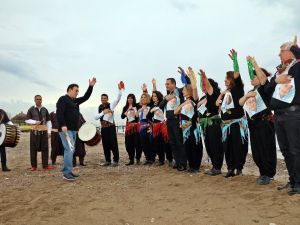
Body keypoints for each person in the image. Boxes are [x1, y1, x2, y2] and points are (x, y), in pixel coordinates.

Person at [265, 39, 300, 195]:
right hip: (278, 116)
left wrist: (293, 46)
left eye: (281, 51)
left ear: (290, 52)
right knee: (285, 150)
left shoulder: (298, 67)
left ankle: (298, 184)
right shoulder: (282, 71)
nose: (278, 54)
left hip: (293, 114)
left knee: (295, 150)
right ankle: (293, 181)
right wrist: (275, 80)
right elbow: (267, 89)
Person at [239, 57, 276, 185]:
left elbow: (263, 79)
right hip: (253, 124)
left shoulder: (265, 88)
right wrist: (247, 95)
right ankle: (262, 172)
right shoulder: (251, 91)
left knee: (267, 149)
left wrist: (254, 64)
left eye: (254, 76)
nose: (251, 78)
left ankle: (269, 174)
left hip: (265, 122)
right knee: (256, 151)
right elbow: (240, 103)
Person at [216, 49, 248, 178]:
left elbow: (237, 75)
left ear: (232, 79)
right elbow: (217, 104)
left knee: (238, 146)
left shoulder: (238, 88)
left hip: (236, 122)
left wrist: (235, 61)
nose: (224, 81)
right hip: (225, 124)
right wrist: (222, 94)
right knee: (227, 147)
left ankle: (239, 168)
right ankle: (230, 168)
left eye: (226, 79)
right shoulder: (226, 92)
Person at [56, 77, 96, 181]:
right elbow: (59, 113)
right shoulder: (63, 99)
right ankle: (66, 173)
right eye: (76, 90)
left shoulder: (75, 101)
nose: (77, 93)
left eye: (78, 91)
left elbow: (86, 97)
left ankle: (69, 171)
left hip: (73, 130)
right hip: (66, 129)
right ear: (69, 90)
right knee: (69, 149)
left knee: (71, 150)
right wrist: (63, 125)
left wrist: (91, 86)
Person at [174, 67, 203, 173]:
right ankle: (191, 166)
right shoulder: (185, 102)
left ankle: (196, 167)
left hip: (193, 127)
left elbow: (194, 88)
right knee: (187, 147)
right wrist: (183, 103)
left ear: (189, 91)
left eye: (184, 90)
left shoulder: (194, 100)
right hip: (184, 128)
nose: (182, 91)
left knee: (195, 146)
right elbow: (175, 112)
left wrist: (191, 76)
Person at [197, 70, 224, 176]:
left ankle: (217, 167)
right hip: (206, 124)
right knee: (208, 145)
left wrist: (204, 77)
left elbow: (208, 85)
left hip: (213, 123)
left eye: (206, 85)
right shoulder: (206, 97)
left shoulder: (215, 94)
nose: (204, 86)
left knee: (215, 145)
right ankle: (214, 166)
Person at [159, 69, 186, 171]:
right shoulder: (167, 95)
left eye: (168, 84)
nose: (166, 86)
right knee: (172, 142)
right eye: (165, 84)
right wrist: (166, 99)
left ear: (174, 84)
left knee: (179, 142)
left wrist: (185, 75)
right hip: (169, 120)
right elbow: (160, 106)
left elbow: (187, 85)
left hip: (177, 119)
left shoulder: (179, 91)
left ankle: (183, 163)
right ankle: (177, 161)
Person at [95, 83, 123, 167]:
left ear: (107, 99)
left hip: (111, 127)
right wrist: (103, 112)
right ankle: (107, 160)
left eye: (105, 98)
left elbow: (118, 99)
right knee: (105, 144)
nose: (103, 99)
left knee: (113, 144)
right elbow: (96, 117)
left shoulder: (111, 105)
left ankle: (116, 161)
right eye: (102, 98)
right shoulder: (99, 107)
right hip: (103, 128)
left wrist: (119, 89)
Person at [147, 79, 172, 166]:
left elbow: (167, 95)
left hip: (163, 126)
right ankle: (157, 159)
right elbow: (148, 117)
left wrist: (154, 85)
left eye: (155, 96)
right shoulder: (151, 106)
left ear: (158, 97)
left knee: (164, 142)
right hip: (155, 126)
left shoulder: (162, 103)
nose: (153, 97)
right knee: (155, 143)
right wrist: (151, 117)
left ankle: (167, 159)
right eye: (152, 96)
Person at [25, 95, 53, 171]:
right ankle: (34, 166)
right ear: (34, 100)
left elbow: (48, 121)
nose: (39, 100)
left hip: (44, 132)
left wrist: (49, 132)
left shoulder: (45, 109)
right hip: (34, 132)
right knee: (33, 149)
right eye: (37, 99)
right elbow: (27, 120)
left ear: (42, 100)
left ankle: (45, 165)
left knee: (45, 148)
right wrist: (34, 122)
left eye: (40, 99)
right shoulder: (31, 109)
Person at [121, 94, 142, 165]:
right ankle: (131, 159)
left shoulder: (137, 105)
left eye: (131, 98)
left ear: (134, 99)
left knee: (137, 143)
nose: (130, 99)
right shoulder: (125, 107)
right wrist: (128, 109)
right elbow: (122, 116)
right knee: (128, 144)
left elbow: (143, 103)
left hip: (136, 127)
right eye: (128, 98)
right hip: (129, 127)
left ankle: (138, 158)